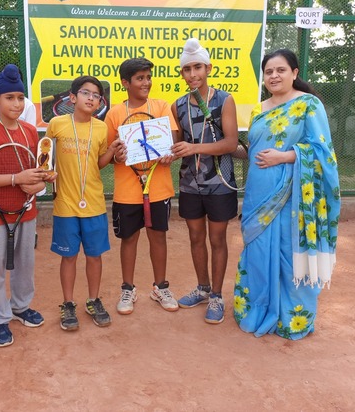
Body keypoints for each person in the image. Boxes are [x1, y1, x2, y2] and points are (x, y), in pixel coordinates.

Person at [233, 49, 340, 340]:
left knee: (287, 253)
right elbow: (252, 151)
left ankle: (291, 317)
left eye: (280, 70)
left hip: (292, 197)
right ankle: (257, 306)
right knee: (257, 251)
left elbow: (323, 153)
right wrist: (221, 146)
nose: (274, 76)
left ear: (294, 73)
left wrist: (284, 157)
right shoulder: (259, 109)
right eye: (269, 71)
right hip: (257, 194)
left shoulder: (308, 105)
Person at [0, 64, 56, 347]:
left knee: (25, 264)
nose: (16, 104)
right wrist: (17, 179)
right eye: (9, 98)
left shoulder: (31, 131)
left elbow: (38, 171)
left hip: (26, 210)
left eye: (20, 97)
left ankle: (20, 306)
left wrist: (42, 182)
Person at [46, 75, 124, 331]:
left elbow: (99, 164)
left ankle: (93, 300)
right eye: (86, 93)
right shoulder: (56, 124)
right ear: (72, 97)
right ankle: (68, 303)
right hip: (65, 205)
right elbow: (46, 159)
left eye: (96, 96)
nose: (91, 98)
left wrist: (111, 151)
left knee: (94, 255)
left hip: (93, 203)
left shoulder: (101, 128)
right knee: (68, 257)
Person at [170, 38, 239, 324]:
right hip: (189, 184)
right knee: (196, 238)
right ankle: (202, 287)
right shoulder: (177, 106)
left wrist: (195, 148)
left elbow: (231, 143)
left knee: (217, 239)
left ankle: (217, 296)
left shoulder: (224, 100)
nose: (193, 74)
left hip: (220, 184)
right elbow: (175, 146)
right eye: (187, 69)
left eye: (198, 67)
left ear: (208, 68)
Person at [104, 58, 179, 315]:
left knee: (158, 237)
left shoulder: (160, 106)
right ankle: (128, 289)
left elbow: (171, 141)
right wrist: (118, 156)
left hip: (159, 188)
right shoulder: (114, 113)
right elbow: (109, 153)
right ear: (125, 83)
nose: (146, 82)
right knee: (129, 239)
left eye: (148, 77)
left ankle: (161, 287)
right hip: (127, 191)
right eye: (139, 78)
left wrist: (170, 153)